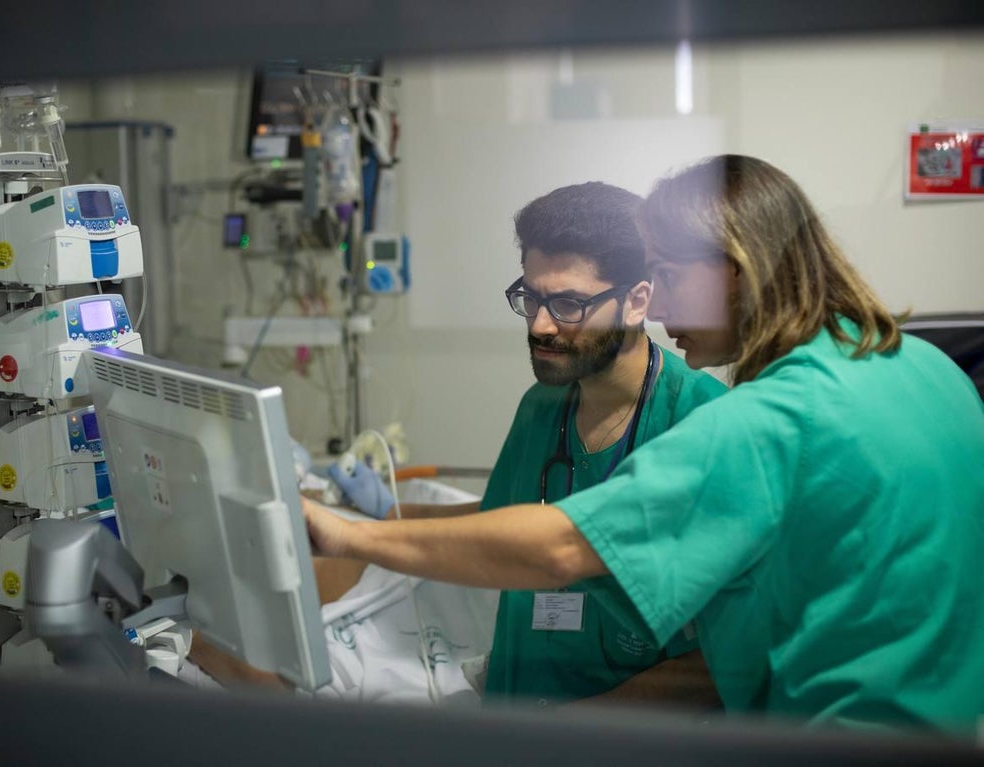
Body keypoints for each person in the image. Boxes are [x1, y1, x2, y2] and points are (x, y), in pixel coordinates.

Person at [304, 155, 984, 735]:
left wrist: (350, 536)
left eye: (668, 276)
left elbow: (563, 548)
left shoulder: (765, 419)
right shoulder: (929, 372)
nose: (656, 308)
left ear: (734, 272)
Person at [332, 181, 726, 708]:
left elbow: (719, 663)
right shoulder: (544, 405)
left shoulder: (703, 423)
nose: (540, 325)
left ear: (637, 302)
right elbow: (501, 523)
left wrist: (571, 732)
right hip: (514, 715)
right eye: (531, 297)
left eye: (567, 303)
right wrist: (375, 521)